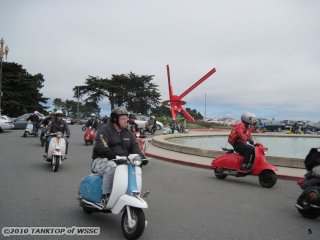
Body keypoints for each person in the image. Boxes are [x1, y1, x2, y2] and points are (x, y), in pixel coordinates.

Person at [91, 107, 144, 205]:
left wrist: (141, 158)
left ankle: (132, 192)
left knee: (136, 168)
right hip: (101, 160)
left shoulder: (128, 133)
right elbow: (101, 146)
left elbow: (135, 147)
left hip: (122, 162)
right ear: (115, 119)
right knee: (111, 166)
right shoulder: (104, 130)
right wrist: (113, 156)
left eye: (127, 118)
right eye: (123, 118)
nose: (126, 120)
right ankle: (105, 195)